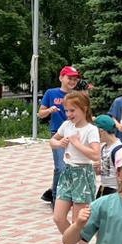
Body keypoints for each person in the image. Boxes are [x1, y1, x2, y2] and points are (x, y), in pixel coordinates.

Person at [48, 91, 101, 244]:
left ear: (84, 109)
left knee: (81, 221)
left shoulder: (90, 129)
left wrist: (77, 143)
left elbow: (95, 155)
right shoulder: (66, 125)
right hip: (67, 173)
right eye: (66, 110)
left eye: (73, 110)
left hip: (83, 175)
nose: (69, 114)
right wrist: (58, 142)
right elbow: (52, 141)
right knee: (58, 217)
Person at [38, 65, 81, 203]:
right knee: (60, 167)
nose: (73, 82)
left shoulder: (77, 96)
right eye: (70, 78)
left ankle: (54, 192)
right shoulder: (51, 93)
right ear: (61, 77)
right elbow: (40, 113)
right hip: (58, 134)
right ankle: (56, 198)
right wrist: (49, 110)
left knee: (73, 165)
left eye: (75, 79)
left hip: (75, 134)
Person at [93, 116, 120, 197]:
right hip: (103, 187)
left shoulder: (118, 149)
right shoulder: (103, 147)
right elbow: (100, 173)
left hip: (114, 190)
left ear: (102, 131)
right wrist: (97, 168)